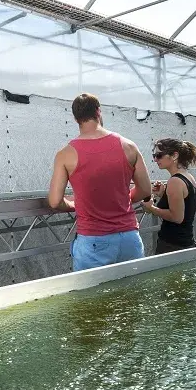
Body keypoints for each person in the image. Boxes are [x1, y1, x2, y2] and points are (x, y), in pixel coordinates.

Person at [48, 93, 153, 271]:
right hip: (129, 237)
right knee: (133, 296)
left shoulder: (65, 154)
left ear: (75, 118)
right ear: (99, 111)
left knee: (93, 298)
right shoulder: (128, 146)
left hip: (93, 241)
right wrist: (121, 199)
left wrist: (75, 204)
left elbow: (55, 201)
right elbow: (144, 190)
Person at [141, 138, 196, 253]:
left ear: (174, 156)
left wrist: (151, 208)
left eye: (159, 155)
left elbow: (177, 217)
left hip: (172, 246)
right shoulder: (188, 177)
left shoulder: (175, 181)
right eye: (154, 156)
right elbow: (185, 206)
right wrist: (164, 194)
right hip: (186, 243)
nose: (155, 160)